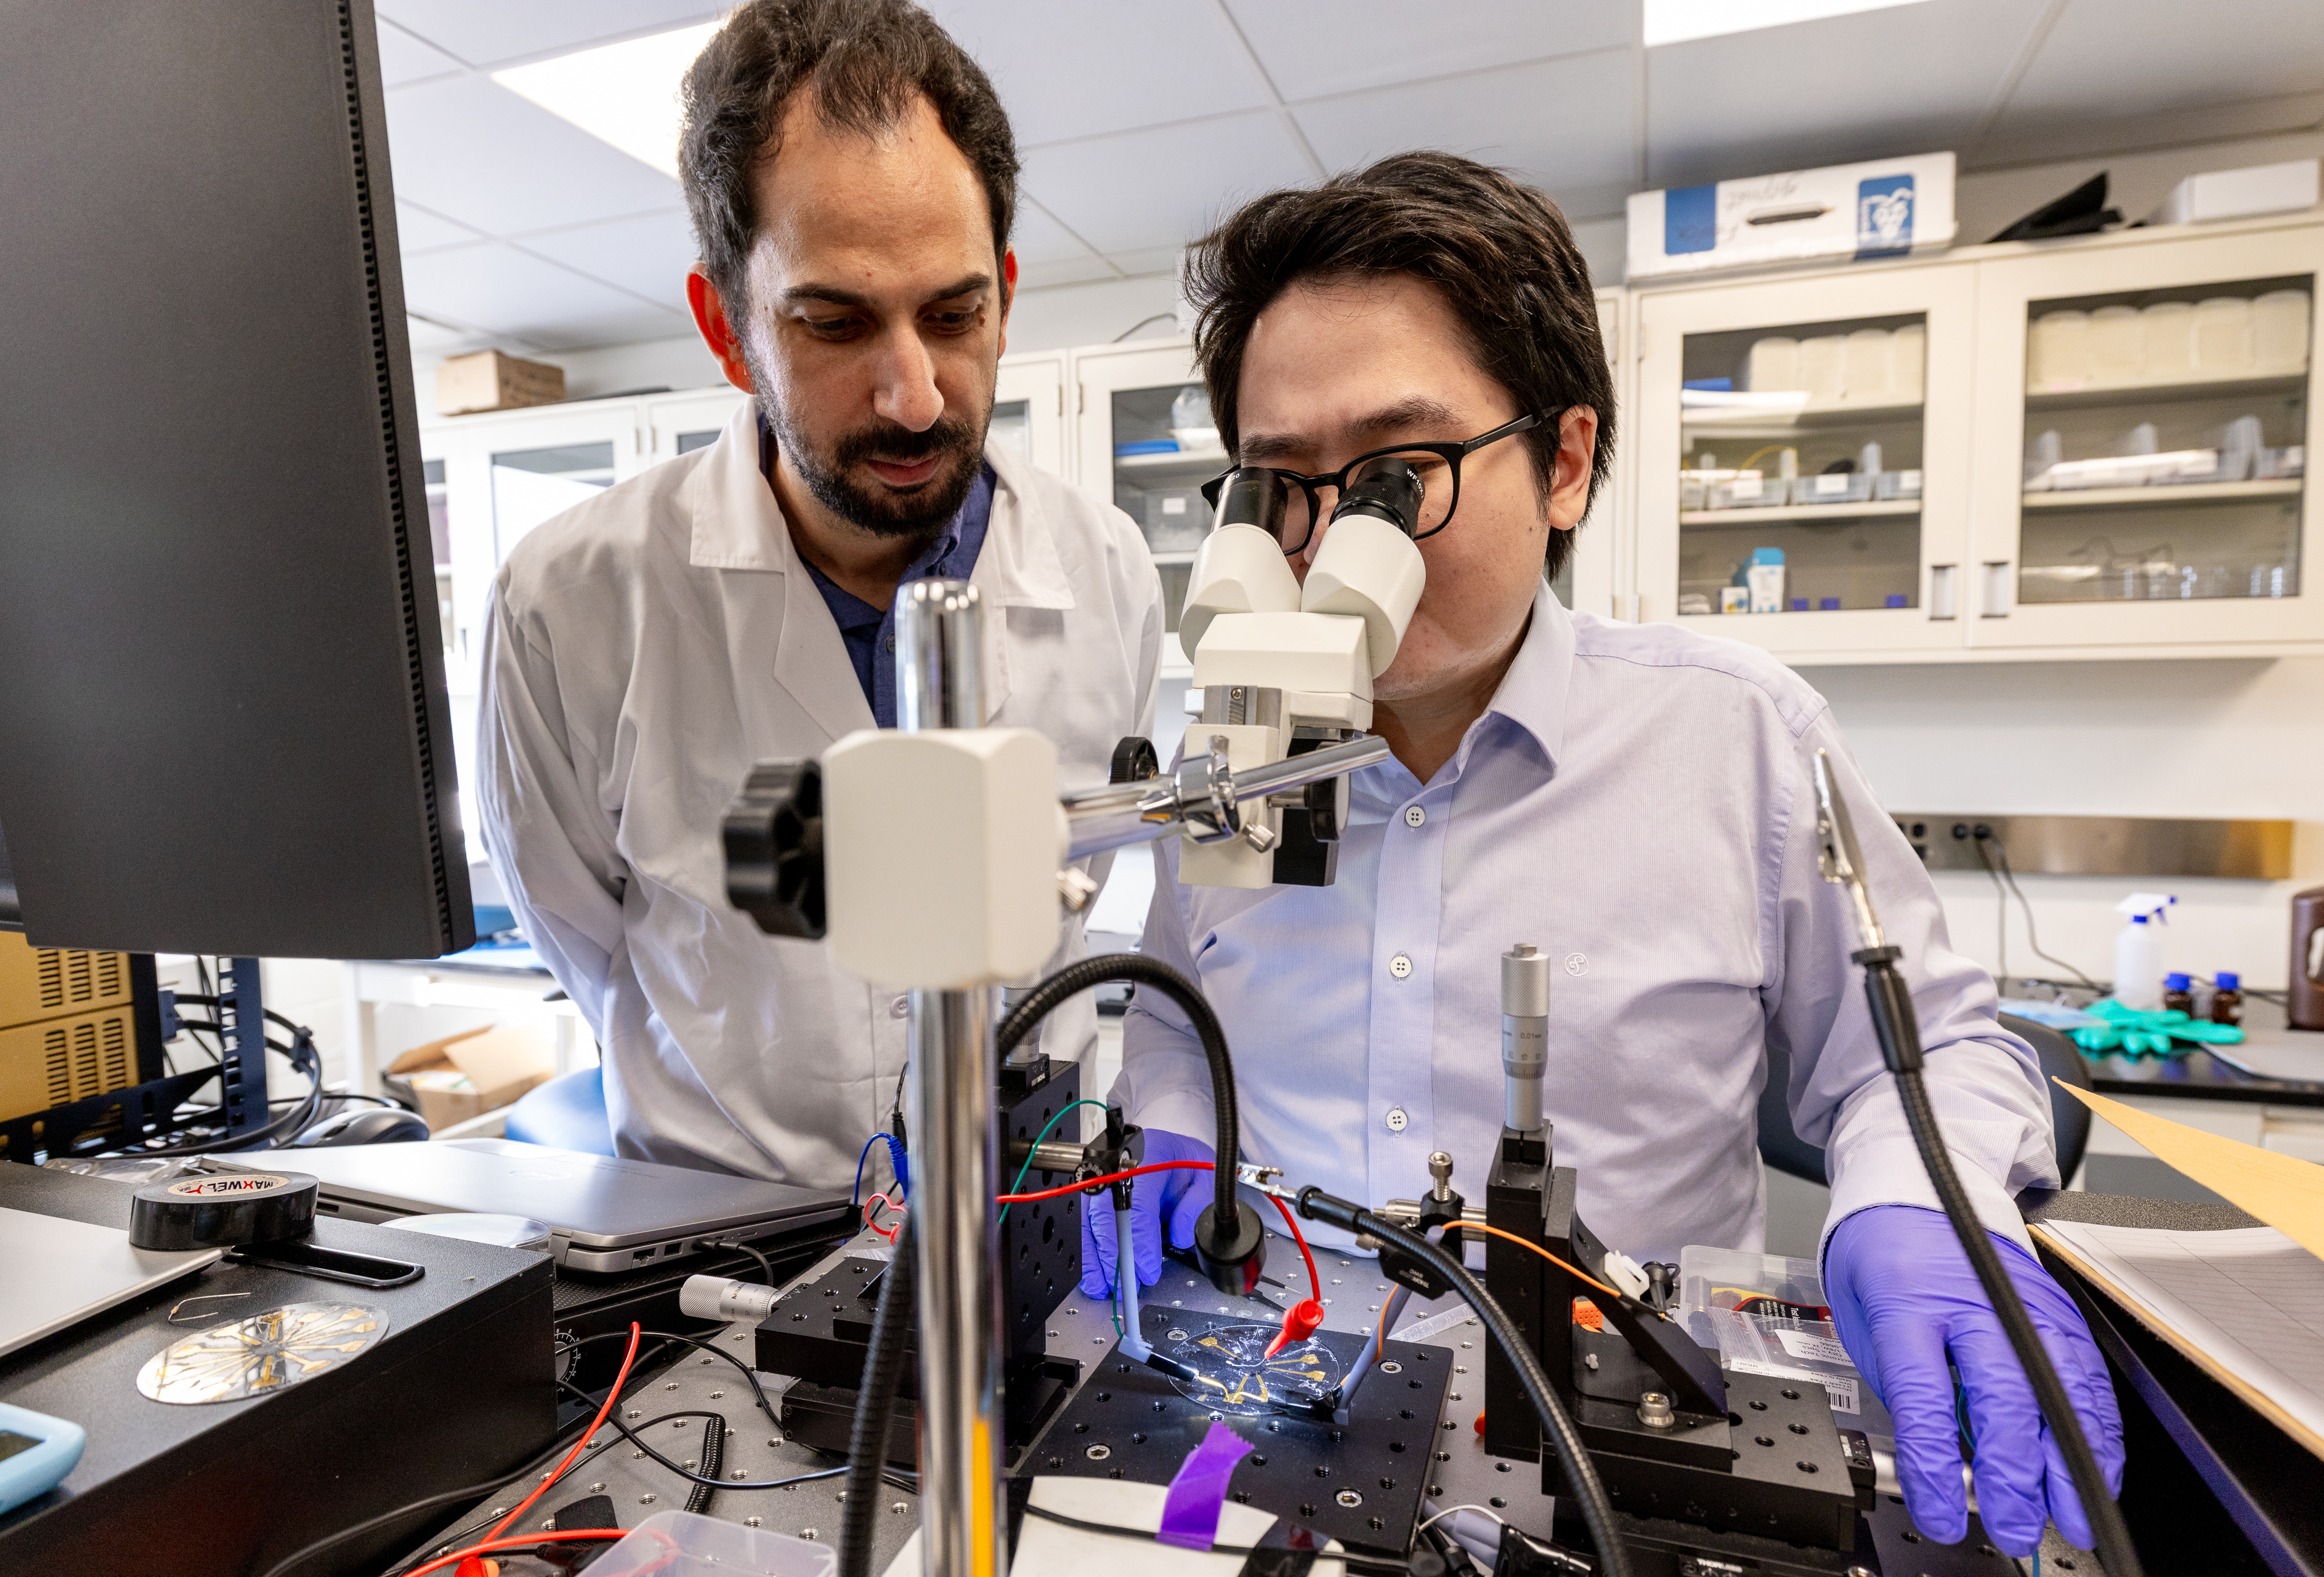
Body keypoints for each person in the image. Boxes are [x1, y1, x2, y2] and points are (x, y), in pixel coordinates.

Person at [1084, 153, 2121, 1557]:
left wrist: (1913, 1203)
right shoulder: (1237, 751)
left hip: (1625, 1457)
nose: (1333, 543)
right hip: (1276, 1424)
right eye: (1282, 484)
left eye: (1399, 475)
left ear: (1565, 460)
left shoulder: (1736, 738)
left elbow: (1923, 1052)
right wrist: (1172, 1120)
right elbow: (1165, 999)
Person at [479, 0, 1160, 1188]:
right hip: (710, 1241)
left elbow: (1072, 893)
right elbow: (582, 938)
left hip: (1024, 1229)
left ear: (1004, 291)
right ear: (727, 329)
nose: (912, 395)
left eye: (954, 315)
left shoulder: (1107, 572)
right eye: (835, 323)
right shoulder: (571, 605)